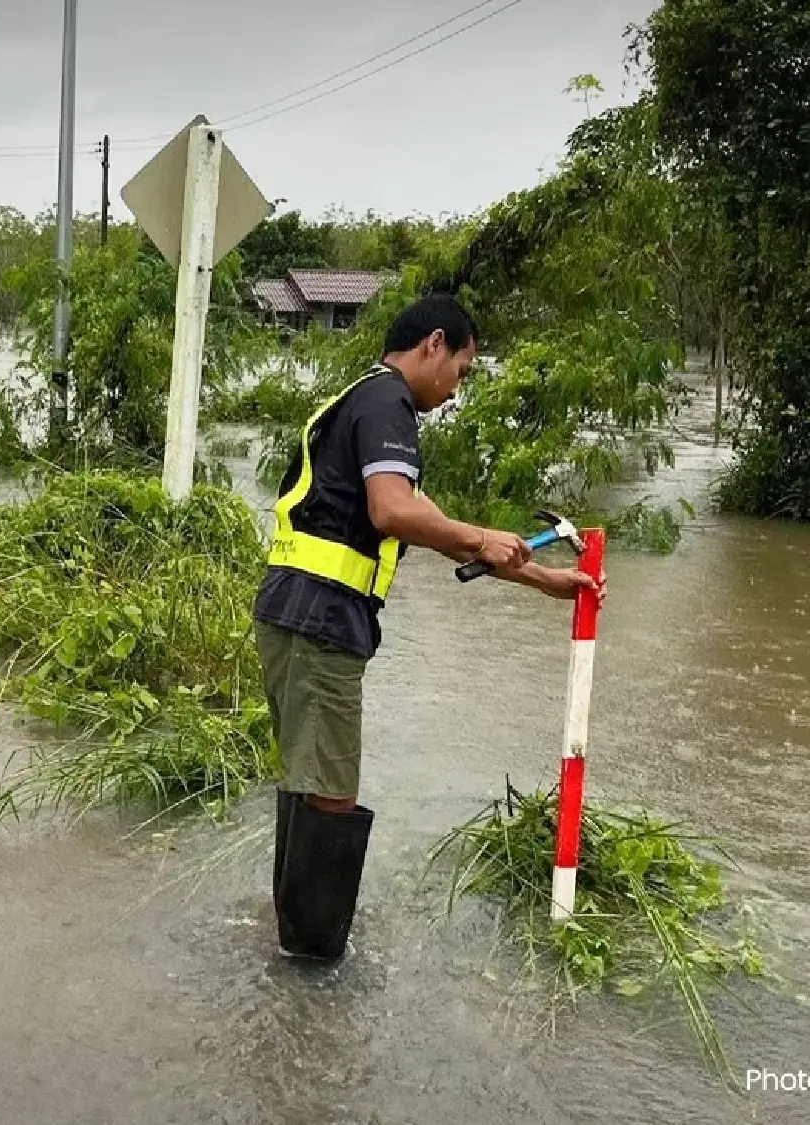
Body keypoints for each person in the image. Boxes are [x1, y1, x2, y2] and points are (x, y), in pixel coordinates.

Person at [256, 293, 604, 961]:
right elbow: (393, 512)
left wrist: (547, 580)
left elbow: (434, 527)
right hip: (320, 622)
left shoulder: (365, 400)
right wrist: (481, 532)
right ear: (434, 344)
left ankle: (295, 939)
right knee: (330, 792)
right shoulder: (390, 406)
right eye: (462, 370)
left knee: (310, 779)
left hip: (299, 617)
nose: (456, 389)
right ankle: (313, 958)